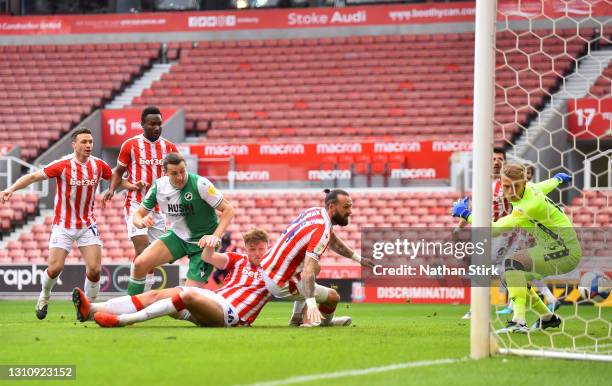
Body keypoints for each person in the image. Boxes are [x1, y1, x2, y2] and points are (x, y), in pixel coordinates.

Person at [0, 128, 113, 320]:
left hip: (87, 225)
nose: (88, 145)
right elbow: (33, 176)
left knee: (94, 270)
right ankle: (44, 296)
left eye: (91, 142)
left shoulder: (99, 165)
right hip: (63, 225)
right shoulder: (62, 164)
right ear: (74, 144)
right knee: (54, 269)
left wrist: (131, 185)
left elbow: (115, 179)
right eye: (84, 142)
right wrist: (11, 188)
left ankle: (89, 309)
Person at [452, 163, 578, 333]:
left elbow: (494, 229)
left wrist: (466, 215)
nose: (510, 191)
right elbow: (546, 185)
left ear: (524, 184)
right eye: (506, 186)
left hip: (565, 252)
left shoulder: (526, 206)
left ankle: (519, 322)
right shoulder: (532, 187)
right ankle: (548, 318)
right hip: (552, 247)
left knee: (512, 265)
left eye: (515, 186)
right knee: (510, 275)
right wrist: (557, 179)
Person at [259, 188, 374, 326]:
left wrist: (359, 259)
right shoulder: (321, 230)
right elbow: (308, 270)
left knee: (316, 268)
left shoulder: (315, 212)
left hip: (268, 268)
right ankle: (325, 322)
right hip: (280, 281)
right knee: (333, 297)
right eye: (346, 207)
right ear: (332, 207)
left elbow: (334, 241)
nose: (350, 211)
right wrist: (312, 304)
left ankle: (296, 318)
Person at [126, 152, 234, 295]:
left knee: (186, 296)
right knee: (139, 264)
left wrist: (215, 236)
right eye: (174, 173)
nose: (180, 177)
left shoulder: (200, 184)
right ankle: (130, 307)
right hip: (178, 237)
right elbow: (137, 215)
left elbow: (228, 209)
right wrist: (141, 222)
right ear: (165, 173)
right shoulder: (159, 187)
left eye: (183, 171)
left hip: (203, 244)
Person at [102, 106, 178, 291]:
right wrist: (112, 189)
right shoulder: (130, 145)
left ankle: (145, 292)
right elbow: (118, 172)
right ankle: (136, 295)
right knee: (142, 249)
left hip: (159, 208)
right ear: (142, 124)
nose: (157, 127)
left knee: (152, 255)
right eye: (152, 124)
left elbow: (177, 175)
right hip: (136, 203)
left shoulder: (169, 147)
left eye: (159, 124)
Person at [457, 147, 512, 320]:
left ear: (504, 163)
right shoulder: (481, 184)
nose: (496, 162)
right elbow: (473, 208)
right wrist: (459, 227)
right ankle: (479, 308)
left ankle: (513, 308)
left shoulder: (509, 183)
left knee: (500, 271)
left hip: (505, 234)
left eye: (500, 159)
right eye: (493, 159)